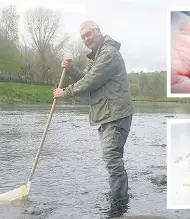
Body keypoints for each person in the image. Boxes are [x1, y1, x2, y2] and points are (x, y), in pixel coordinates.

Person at [53, 20, 135, 211]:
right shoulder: (98, 56)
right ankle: (119, 200)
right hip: (108, 114)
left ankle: (119, 207)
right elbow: (87, 78)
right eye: (83, 36)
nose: (86, 39)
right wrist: (71, 69)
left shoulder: (109, 53)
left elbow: (91, 81)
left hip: (115, 115)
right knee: (113, 160)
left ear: (99, 32)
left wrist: (65, 92)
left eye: (89, 34)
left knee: (111, 159)